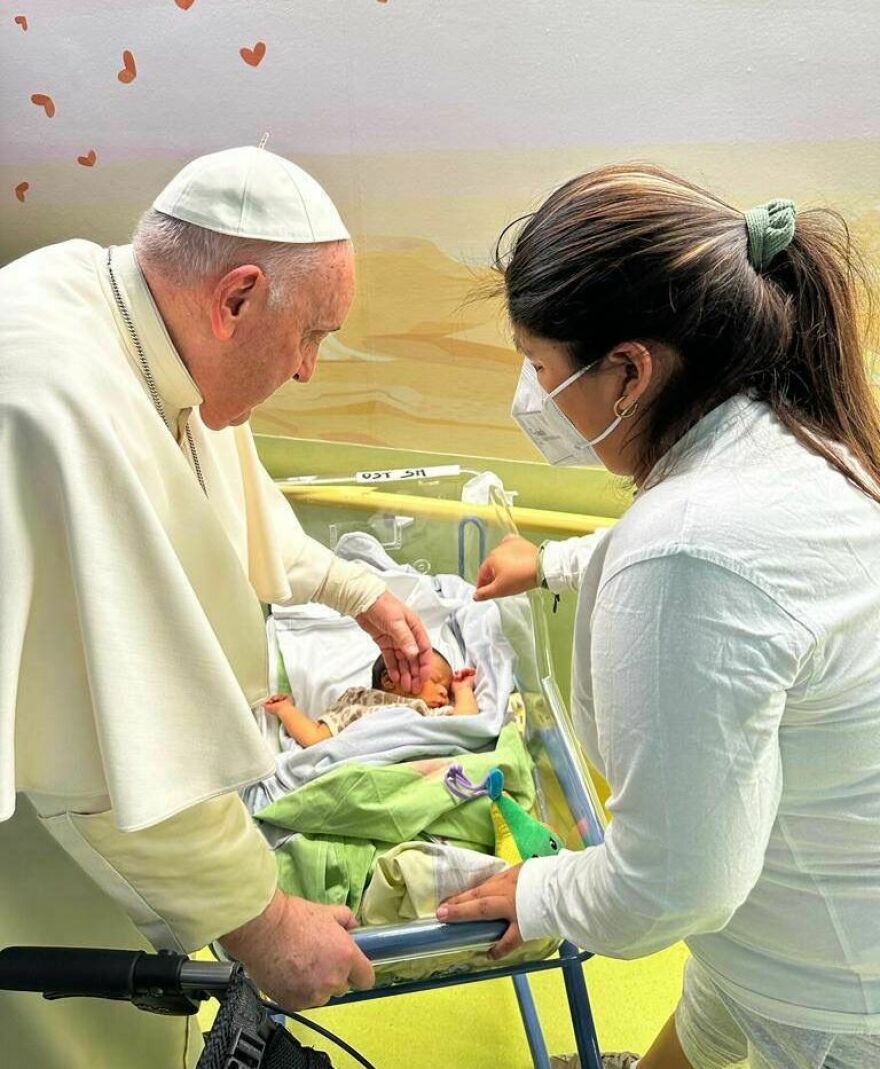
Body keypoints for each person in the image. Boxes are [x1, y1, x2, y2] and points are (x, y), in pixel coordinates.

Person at [0, 144, 433, 1068]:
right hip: (37, 838)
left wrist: (356, 589)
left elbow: (210, 498)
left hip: (120, 838)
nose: (312, 369)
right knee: (71, 1026)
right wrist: (267, 924)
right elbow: (112, 768)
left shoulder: (132, 309)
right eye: (313, 334)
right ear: (235, 299)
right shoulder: (50, 399)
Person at [437, 166, 880, 1069]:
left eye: (539, 367)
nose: (531, 393)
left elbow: (674, 885)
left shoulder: (687, 549)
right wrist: (552, 562)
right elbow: (733, 581)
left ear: (631, 371)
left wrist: (540, 892)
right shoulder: (795, 436)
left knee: (733, 1002)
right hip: (798, 903)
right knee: (711, 1014)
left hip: (831, 987)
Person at [264, 651, 479, 747]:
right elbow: (316, 738)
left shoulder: (426, 713)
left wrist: (462, 691)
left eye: (447, 689)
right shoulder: (358, 703)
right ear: (389, 679)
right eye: (435, 680)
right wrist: (286, 710)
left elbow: (466, 725)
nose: (444, 692)